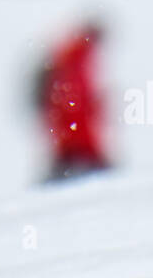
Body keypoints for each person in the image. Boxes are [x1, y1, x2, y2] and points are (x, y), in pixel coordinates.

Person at [35, 22, 111, 182]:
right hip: (75, 146)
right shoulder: (76, 61)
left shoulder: (67, 57)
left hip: (67, 145)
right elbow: (75, 109)